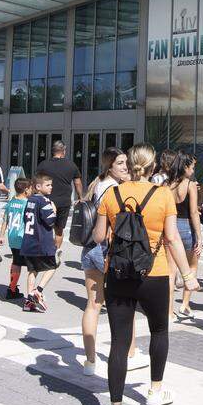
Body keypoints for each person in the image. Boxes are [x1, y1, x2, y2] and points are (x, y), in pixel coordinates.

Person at [92, 143, 200, 405]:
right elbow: (172, 238)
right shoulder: (163, 195)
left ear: (129, 165)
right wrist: (188, 274)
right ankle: (155, 390)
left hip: (118, 273)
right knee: (159, 331)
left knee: (119, 341)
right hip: (155, 272)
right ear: (153, 167)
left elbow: (99, 236)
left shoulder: (112, 194)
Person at [80, 148, 146, 376]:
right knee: (126, 302)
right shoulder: (114, 189)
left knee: (93, 305)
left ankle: (90, 361)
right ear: (109, 166)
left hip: (89, 249)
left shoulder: (96, 184)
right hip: (107, 251)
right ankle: (131, 353)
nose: (125, 167)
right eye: (119, 163)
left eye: (126, 162)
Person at [168, 153, 203, 319]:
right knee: (192, 266)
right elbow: (194, 212)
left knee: (171, 272)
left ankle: (168, 311)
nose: (193, 170)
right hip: (186, 226)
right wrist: (199, 236)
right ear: (186, 167)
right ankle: (185, 304)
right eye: (192, 167)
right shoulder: (190, 185)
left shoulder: (167, 184)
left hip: (170, 225)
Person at [35, 141, 83, 259]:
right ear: (63, 151)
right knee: (59, 230)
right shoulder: (71, 165)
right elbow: (77, 183)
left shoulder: (43, 165)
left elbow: (36, 181)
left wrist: (33, 195)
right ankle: (54, 254)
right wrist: (80, 197)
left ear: (53, 150)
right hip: (64, 202)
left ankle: (44, 252)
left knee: (44, 228)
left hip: (46, 201)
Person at [20, 173, 58, 313]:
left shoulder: (30, 200)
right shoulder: (44, 201)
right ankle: (38, 290)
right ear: (38, 186)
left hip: (28, 242)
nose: (51, 187)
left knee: (33, 270)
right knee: (53, 265)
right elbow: (50, 221)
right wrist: (54, 210)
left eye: (51, 185)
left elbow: (25, 219)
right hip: (41, 243)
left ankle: (29, 298)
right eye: (47, 185)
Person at [2, 178, 30, 299]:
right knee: (32, 265)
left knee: (16, 261)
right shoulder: (27, 203)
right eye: (30, 188)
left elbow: (5, 219)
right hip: (22, 237)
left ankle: (12, 288)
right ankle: (30, 293)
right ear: (26, 190)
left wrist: (1, 235)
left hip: (12, 236)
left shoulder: (11, 201)